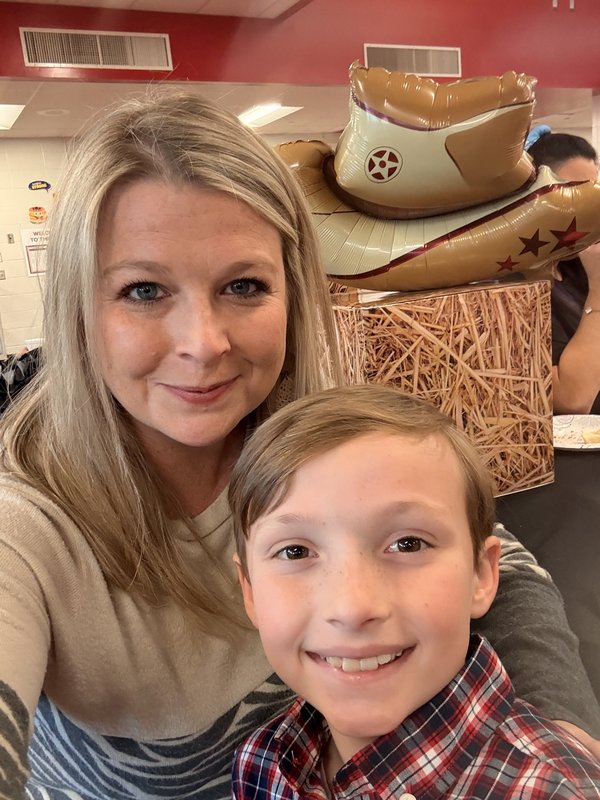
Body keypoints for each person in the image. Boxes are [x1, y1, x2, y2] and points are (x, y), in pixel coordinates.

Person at [0, 90, 599, 800]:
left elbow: (497, 559)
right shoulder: (27, 527)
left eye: (244, 285)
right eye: (142, 292)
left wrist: (562, 736)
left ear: (294, 292)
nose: (204, 344)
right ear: (78, 308)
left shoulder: (320, 438)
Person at [229, 385, 600, 799]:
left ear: (482, 573)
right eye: (295, 551)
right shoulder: (260, 762)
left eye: (408, 544)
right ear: (250, 591)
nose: (353, 607)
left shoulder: (556, 790)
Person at [526, 129, 600, 414]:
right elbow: (572, 400)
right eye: (574, 193)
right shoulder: (512, 282)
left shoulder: (577, 261)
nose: (589, 208)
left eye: (593, 192)